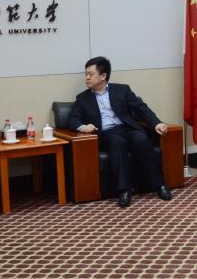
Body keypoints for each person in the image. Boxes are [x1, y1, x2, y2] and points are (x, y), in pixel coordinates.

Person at [68, 56, 173, 207]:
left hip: (127, 128)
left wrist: (157, 123)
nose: (87, 77)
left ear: (103, 76)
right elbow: (72, 119)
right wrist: (83, 127)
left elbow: (141, 108)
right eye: (86, 74)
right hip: (107, 133)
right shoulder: (83, 98)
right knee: (117, 143)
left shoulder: (122, 90)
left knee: (142, 139)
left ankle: (160, 185)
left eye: (90, 74)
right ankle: (124, 190)